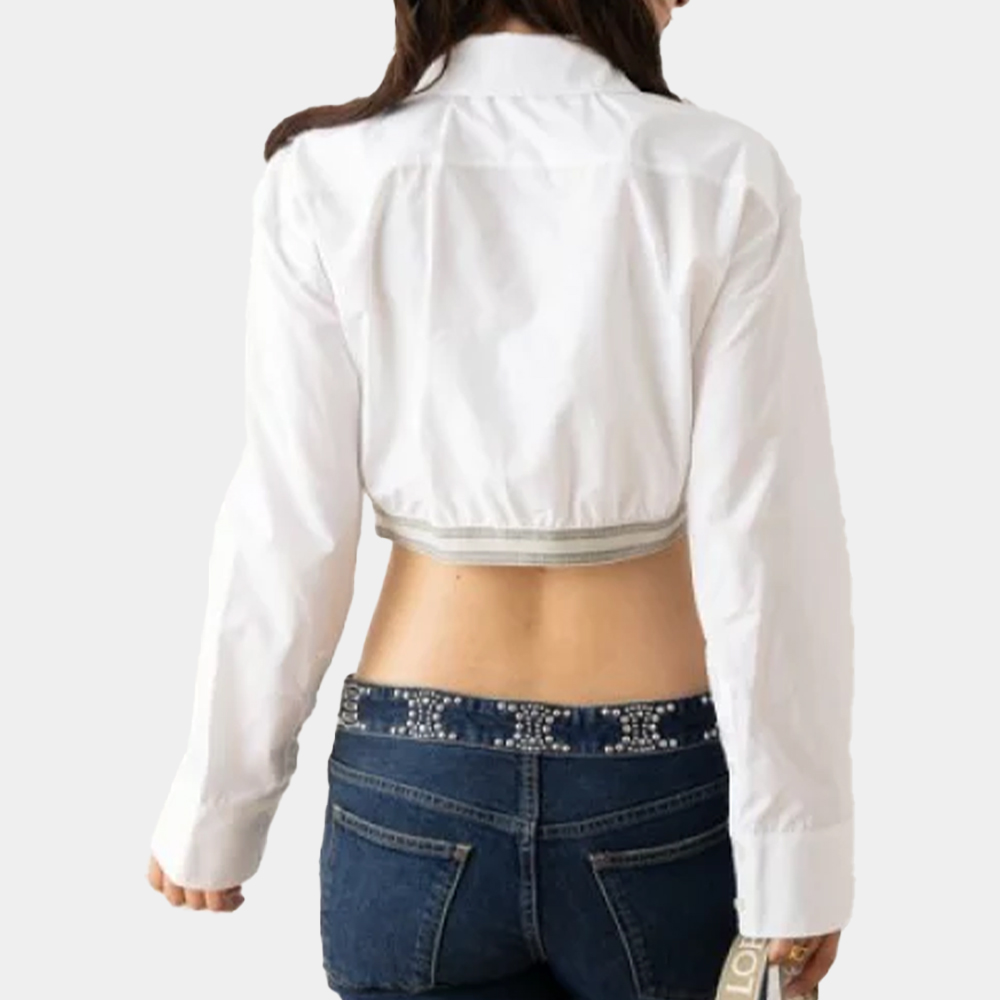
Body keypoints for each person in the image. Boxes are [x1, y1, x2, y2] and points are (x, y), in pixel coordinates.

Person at [147, 2, 854, 998]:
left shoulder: (328, 174)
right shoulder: (721, 174)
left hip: (413, 775)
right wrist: (799, 854)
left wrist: (216, 806)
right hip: (652, 777)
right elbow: (769, 542)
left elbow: (288, 526)